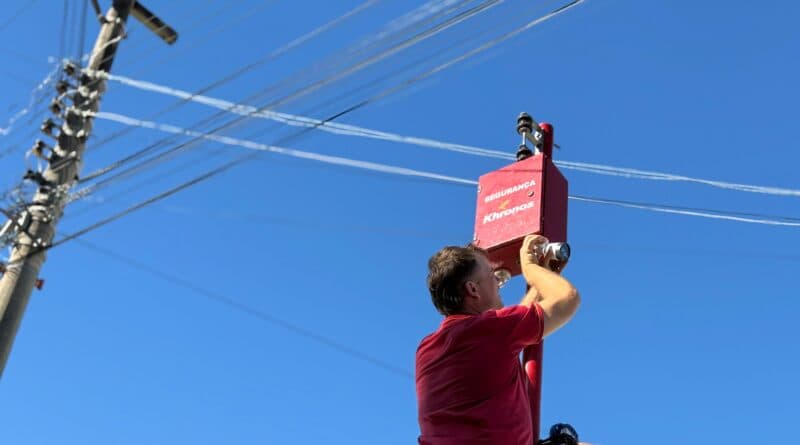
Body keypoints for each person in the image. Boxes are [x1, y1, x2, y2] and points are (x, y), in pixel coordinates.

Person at [415, 234, 581, 445]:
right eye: (492, 276)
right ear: (473, 289)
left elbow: (515, 324)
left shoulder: (428, 348)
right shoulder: (488, 330)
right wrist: (531, 269)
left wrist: (544, 277)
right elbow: (567, 299)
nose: (497, 283)